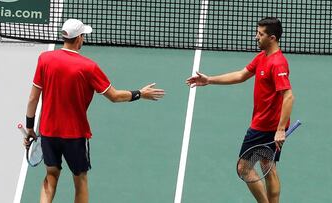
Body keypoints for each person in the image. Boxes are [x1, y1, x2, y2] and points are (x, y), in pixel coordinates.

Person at [24, 19, 165, 203]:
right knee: (80, 180)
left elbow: (33, 98)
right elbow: (114, 96)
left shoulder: (45, 59)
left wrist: (29, 128)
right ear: (79, 38)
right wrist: (140, 93)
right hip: (75, 135)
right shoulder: (88, 67)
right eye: (83, 36)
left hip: (48, 131)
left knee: (51, 176)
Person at [186, 17, 294, 203]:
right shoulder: (263, 57)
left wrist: (280, 129)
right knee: (268, 165)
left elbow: (289, 97)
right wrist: (209, 79)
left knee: (244, 167)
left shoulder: (278, 63)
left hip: (265, 127)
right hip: (265, 122)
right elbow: (242, 75)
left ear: (272, 38)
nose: (256, 37)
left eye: (260, 34)